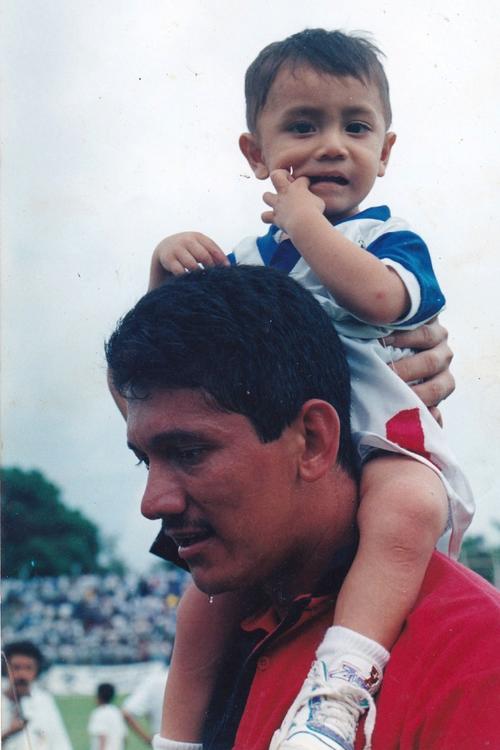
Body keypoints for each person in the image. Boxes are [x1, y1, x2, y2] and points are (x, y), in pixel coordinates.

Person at [145, 29, 474, 750]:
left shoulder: (387, 238)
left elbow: (383, 303)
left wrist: (306, 224)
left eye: (355, 126)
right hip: (293, 456)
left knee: (410, 505)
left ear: (385, 152)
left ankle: (338, 688)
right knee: (206, 598)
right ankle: (174, 737)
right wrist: (163, 267)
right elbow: (170, 351)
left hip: (378, 441)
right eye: (302, 125)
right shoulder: (251, 256)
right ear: (254, 155)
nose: (332, 145)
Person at [105, 266, 500, 750]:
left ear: (313, 440)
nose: (152, 503)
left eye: (189, 453)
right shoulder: (230, 622)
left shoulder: (474, 657)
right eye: (145, 459)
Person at [1, 640, 73, 750]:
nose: (22, 674)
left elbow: (61, 744)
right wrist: (6, 734)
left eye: (28, 668)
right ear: (6, 669)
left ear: (37, 671)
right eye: (16, 667)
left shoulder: (44, 703)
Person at [121, 666, 169, 744]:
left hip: (165, 742)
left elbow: (126, 712)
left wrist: (148, 740)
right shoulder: (156, 681)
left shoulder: (154, 681)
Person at [88, 682, 128, 750]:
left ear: (98, 696)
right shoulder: (117, 713)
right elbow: (124, 738)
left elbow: (102, 736)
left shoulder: (98, 713)